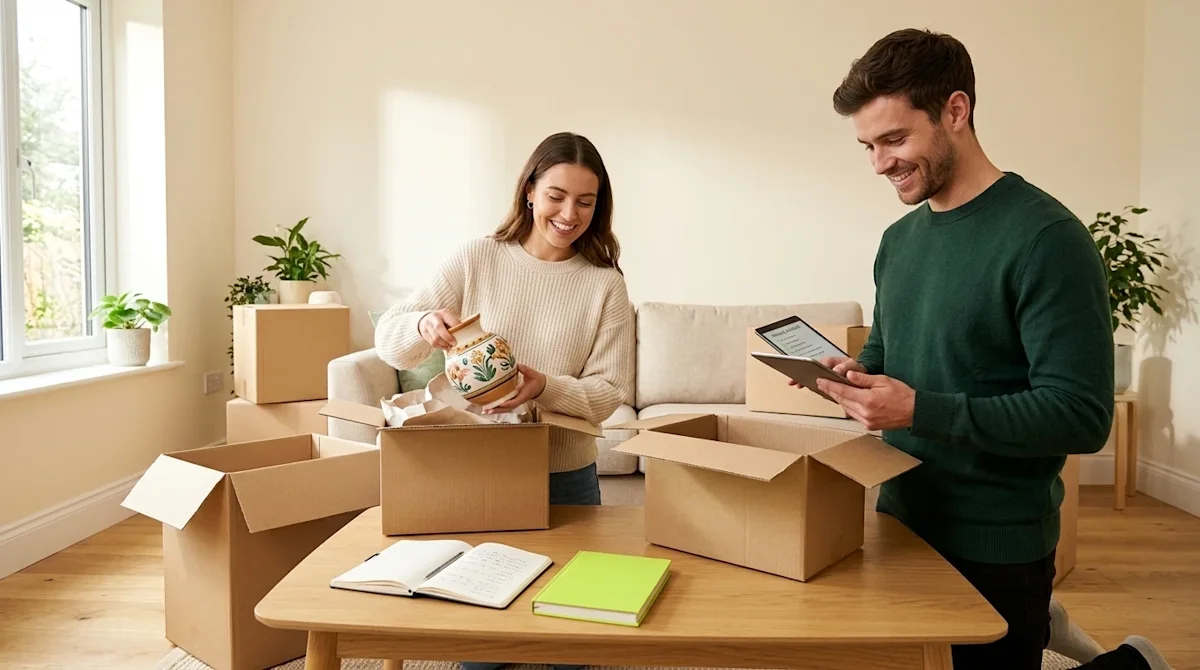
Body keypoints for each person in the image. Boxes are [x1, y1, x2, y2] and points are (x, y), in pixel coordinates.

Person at [811, 28, 1175, 670]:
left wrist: (921, 410)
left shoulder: (1047, 239)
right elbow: (891, 350)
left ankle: (1129, 663)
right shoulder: (899, 241)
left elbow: (1083, 417)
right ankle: (1046, 631)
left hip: (998, 540)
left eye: (895, 139)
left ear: (955, 111)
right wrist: (857, 376)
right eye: (868, 145)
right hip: (899, 516)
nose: (879, 163)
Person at [373, 131, 634, 670]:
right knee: (484, 643)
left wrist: (547, 387)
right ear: (530, 191)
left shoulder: (605, 285)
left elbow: (611, 394)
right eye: (557, 196)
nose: (569, 214)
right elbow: (391, 344)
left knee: (570, 637)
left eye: (586, 202)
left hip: (566, 471)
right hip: (482, 466)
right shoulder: (477, 258)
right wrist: (424, 323)